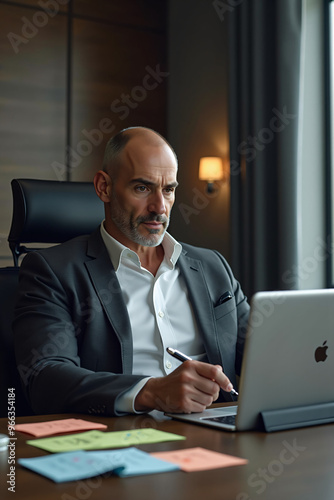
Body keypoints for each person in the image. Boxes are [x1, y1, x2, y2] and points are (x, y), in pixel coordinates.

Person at [13, 126, 250, 417]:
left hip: (216, 430)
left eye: (169, 189)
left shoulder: (213, 266)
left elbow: (261, 353)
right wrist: (151, 391)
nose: (159, 207)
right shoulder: (52, 271)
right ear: (104, 187)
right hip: (121, 437)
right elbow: (44, 377)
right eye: (142, 188)